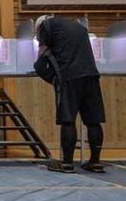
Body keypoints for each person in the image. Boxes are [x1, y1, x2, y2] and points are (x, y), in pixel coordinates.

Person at [34, 15, 105, 173]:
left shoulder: (46, 25)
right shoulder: (79, 27)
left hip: (68, 76)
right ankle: (95, 161)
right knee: (93, 121)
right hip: (91, 75)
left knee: (68, 119)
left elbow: (43, 51)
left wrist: (45, 71)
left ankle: (66, 162)